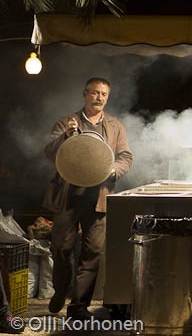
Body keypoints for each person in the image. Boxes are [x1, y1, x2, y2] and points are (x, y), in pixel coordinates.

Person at [43, 77, 134, 320]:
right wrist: (66, 137)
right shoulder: (66, 122)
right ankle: (61, 290)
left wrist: (113, 169)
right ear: (85, 94)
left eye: (104, 94)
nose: (99, 98)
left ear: (108, 97)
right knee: (61, 248)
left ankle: (79, 306)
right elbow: (49, 152)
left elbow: (125, 156)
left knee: (93, 251)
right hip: (68, 196)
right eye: (94, 93)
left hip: (99, 197)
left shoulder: (115, 126)